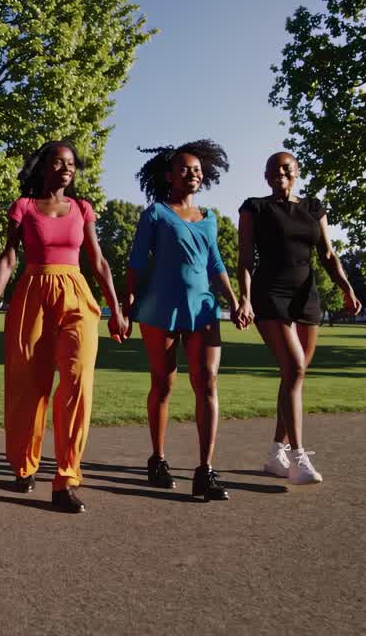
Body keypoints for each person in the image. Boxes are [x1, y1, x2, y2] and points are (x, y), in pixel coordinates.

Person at [0, 141, 128, 514]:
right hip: (33, 294)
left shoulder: (82, 208)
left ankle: (66, 479)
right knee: (29, 385)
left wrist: (117, 308)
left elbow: (98, 260)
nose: (65, 168)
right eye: (58, 162)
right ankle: (25, 465)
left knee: (78, 382)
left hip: (76, 294)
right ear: (43, 167)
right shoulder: (24, 206)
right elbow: (9, 257)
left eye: (71, 163)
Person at [124, 140, 249, 501]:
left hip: (203, 310)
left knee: (207, 382)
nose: (192, 174)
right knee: (162, 386)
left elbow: (216, 265)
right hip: (160, 310)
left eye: (196, 169)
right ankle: (158, 459)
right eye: (184, 168)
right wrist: (126, 304)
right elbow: (136, 263)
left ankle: (205, 471)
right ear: (169, 175)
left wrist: (236, 300)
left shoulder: (209, 219)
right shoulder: (156, 214)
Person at [236, 151, 361, 485]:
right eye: (272, 169)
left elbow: (328, 254)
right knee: (294, 368)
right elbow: (245, 256)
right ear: (264, 176)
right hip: (269, 293)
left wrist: (347, 288)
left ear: (296, 172)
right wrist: (245, 298)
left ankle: (276, 451)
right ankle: (298, 456)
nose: (279, 172)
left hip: (306, 297)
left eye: (285, 168)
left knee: (294, 376)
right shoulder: (255, 208)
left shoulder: (313, 208)